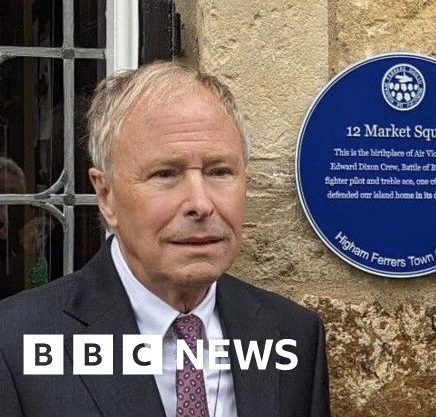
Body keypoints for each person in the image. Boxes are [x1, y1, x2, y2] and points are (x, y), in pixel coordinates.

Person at [0, 62, 330, 416]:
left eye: (219, 171)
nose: (201, 204)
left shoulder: (292, 335)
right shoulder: (15, 343)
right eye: (165, 174)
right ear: (106, 195)